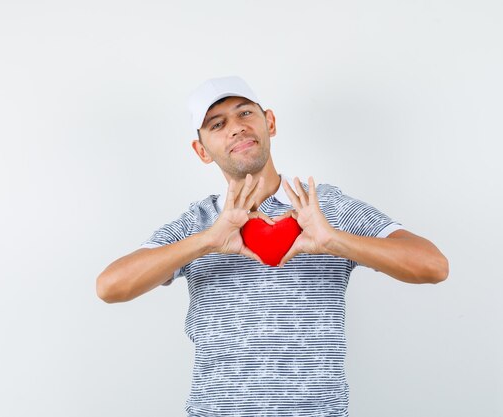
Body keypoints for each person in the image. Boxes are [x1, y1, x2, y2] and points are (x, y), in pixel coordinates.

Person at [96, 76, 448, 417]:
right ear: (201, 150)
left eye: (244, 113)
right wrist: (207, 241)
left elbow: (432, 266)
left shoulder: (322, 208)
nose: (236, 127)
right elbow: (111, 287)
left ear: (270, 122)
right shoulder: (197, 223)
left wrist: (332, 240)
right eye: (217, 124)